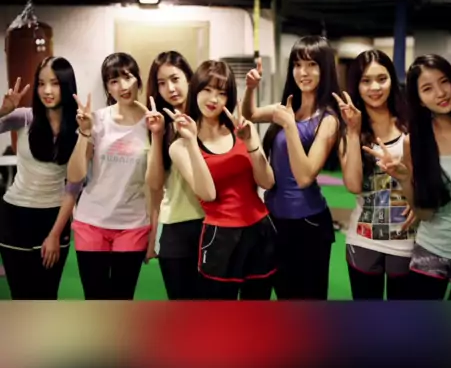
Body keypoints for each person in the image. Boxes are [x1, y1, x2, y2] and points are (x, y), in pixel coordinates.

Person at [366, 54, 451, 300]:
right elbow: (424, 213)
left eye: (444, 81)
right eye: (428, 88)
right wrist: (404, 179)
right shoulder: (415, 142)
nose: (440, 93)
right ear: (419, 99)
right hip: (431, 250)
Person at [167, 60, 277, 300]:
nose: (213, 98)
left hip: (260, 230)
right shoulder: (180, 146)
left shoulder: (242, 129)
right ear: (195, 90)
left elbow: (267, 182)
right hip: (220, 237)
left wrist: (251, 143)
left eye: (222, 92)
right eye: (207, 89)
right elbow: (207, 194)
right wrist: (192, 141)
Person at [242, 36, 341, 300]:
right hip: (275, 218)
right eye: (297, 65)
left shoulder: (328, 120)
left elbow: (305, 176)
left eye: (311, 64)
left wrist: (289, 126)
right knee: (284, 296)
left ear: (325, 68)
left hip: (308, 223)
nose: (303, 72)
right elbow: (250, 114)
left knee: (308, 301)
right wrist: (250, 88)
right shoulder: (287, 108)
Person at [67, 53, 151, 300]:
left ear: (138, 79)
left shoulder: (152, 122)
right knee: (95, 299)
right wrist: (84, 133)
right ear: (107, 88)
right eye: (114, 81)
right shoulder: (97, 120)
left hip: (133, 224)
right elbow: (75, 175)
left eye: (127, 77)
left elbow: (155, 185)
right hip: (91, 221)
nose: (122, 86)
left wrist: (154, 232)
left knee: (122, 299)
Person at [334, 49, 415, 300]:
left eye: (382, 78)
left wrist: (420, 200)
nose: (375, 87)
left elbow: (428, 176)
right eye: (366, 81)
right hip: (363, 239)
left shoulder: (411, 123)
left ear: (392, 80)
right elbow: (353, 185)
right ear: (356, 86)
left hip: (408, 239)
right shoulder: (349, 130)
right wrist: (353, 131)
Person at [0, 58, 81, 299]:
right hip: (14, 215)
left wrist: (54, 234)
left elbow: (73, 188)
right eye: (41, 83)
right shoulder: (26, 117)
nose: (47, 90)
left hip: (53, 216)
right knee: (21, 296)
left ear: (66, 85)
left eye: (54, 83)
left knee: (47, 295)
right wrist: (3, 111)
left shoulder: (79, 127)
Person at [144, 51, 204, 300]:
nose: (170, 88)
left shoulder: (207, 119)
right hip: (174, 227)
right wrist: (157, 135)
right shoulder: (160, 125)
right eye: (161, 83)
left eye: (175, 79)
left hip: (211, 224)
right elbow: (155, 184)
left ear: (189, 79)